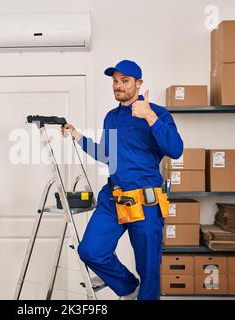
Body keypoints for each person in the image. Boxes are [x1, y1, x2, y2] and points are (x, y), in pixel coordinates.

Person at [61, 59, 184, 300]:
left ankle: (144, 294)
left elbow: (176, 149)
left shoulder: (158, 113)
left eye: (125, 81)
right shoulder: (111, 117)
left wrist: (149, 115)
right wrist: (78, 137)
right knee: (90, 251)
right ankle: (130, 288)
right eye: (115, 81)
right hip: (114, 198)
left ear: (139, 84)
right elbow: (108, 155)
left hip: (146, 202)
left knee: (149, 271)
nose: (118, 86)